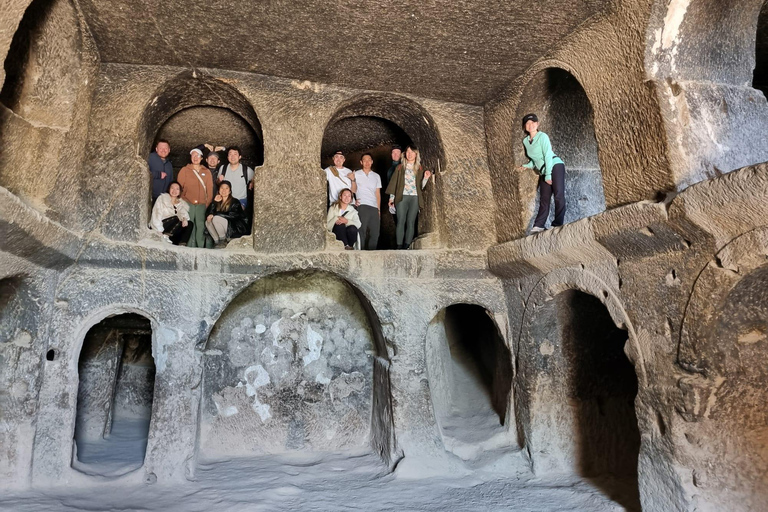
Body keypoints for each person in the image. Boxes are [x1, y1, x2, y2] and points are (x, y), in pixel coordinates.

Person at [518, 113, 566, 234]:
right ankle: (538, 225)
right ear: (525, 127)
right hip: (544, 170)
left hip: (555, 165)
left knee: (558, 195)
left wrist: (549, 175)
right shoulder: (526, 141)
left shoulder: (542, 136)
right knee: (544, 199)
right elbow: (535, 159)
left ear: (537, 124)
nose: (531, 125)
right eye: (528, 123)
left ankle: (557, 223)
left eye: (533, 123)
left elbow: (548, 155)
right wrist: (527, 166)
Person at [385, 145, 432, 249]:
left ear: (416, 154)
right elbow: (394, 184)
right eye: (408, 152)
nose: (409, 154)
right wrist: (391, 198)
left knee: (411, 222)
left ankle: (407, 245)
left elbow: (420, 187)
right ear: (405, 154)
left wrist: (425, 178)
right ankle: (399, 245)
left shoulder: (419, 168)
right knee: (401, 220)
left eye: (412, 152)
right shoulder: (400, 167)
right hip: (402, 197)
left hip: (414, 197)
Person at [177, 148, 214, 248]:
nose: (195, 157)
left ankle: (200, 247)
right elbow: (179, 188)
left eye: (198, 155)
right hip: (187, 202)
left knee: (201, 226)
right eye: (193, 155)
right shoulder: (184, 170)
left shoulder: (206, 172)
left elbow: (209, 189)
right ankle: (189, 247)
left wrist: (207, 203)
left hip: (202, 204)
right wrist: (182, 202)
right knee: (190, 225)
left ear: (202, 158)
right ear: (190, 157)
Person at [205, 180, 249, 246]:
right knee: (207, 221)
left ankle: (223, 240)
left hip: (233, 227)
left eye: (226, 188)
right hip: (223, 226)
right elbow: (208, 214)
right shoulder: (217, 201)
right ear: (219, 190)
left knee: (216, 218)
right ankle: (217, 242)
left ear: (230, 191)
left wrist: (215, 214)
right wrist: (214, 203)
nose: (224, 190)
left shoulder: (235, 202)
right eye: (222, 188)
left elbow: (232, 215)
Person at [150, 181, 193, 245]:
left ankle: (182, 244)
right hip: (161, 226)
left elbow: (184, 214)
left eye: (177, 189)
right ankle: (166, 236)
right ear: (169, 189)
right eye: (172, 188)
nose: (174, 190)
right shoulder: (162, 198)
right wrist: (159, 230)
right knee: (176, 217)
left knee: (190, 223)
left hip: (173, 229)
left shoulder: (181, 203)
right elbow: (156, 215)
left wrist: (185, 219)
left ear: (179, 191)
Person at [354, 153, 382, 250]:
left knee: (375, 232)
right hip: (362, 205)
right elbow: (351, 190)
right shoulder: (356, 174)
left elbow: (377, 194)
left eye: (369, 160)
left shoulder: (376, 176)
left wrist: (379, 209)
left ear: (372, 162)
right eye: (364, 160)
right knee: (362, 231)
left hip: (374, 207)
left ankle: (372, 253)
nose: (367, 162)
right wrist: (354, 201)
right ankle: (360, 253)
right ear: (361, 162)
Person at [148, 139, 173, 204]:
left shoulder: (169, 164)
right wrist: (158, 175)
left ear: (169, 150)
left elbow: (171, 181)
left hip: (164, 198)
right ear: (156, 149)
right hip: (151, 197)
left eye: (166, 148)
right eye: (161, 148)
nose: (163, 150)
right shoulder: (150, 158)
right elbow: (141, 174)